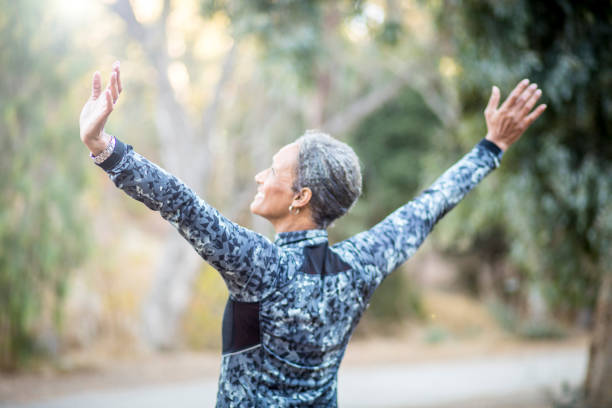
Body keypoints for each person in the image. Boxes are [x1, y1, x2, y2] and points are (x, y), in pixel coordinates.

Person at [79, 61, 546, 407]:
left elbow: (183, 205)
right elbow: (427, 210)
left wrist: (103, 146)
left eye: (274, 170)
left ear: (300, 196)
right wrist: (491, 147)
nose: (261, 177)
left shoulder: (261, 267)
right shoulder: (361, 265)